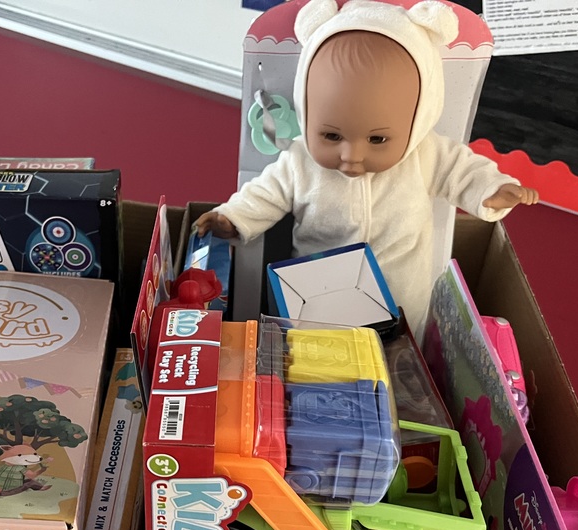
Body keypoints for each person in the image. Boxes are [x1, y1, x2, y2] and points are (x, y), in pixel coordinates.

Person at [196, 0, 538, 334]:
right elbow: (264, 194)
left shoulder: (425, 154)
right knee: (315, 364)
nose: (351, 155)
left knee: (400, 369)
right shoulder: (300, 161)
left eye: (376, 140)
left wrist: (492, 189)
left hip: (401, 303)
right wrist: (232, 218)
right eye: (331, 135)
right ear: (307, 112)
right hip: (316, 301)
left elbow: (464, 171)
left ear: (416, 123)